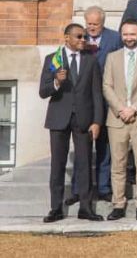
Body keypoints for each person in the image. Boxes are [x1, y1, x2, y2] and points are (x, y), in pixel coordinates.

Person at [39, 24, 105, 223]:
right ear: (67, 37)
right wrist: (57, 83)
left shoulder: (90, 61)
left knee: (84, 164)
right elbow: (43, 91)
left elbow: (96, 94)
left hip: (84, 119)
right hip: (59, 117)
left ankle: (86, 207)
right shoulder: (54, 60)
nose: (83, 39)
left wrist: (97, 121)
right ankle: (56, 208)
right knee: (57, 164)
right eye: (78, 36)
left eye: (84, 36)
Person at [64, 7, 121, 206]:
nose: (91, 27)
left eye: (95, 24)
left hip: (108, 100)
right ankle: (79, 189)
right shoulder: (79, 38)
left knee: (105, 146)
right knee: (82, 148)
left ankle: (104, 188)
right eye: (89, 23)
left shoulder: (115, 38)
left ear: (103, 23)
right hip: (84, 102)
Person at [102, 20, 137, 221]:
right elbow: (107, 86)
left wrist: (134, 108)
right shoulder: (112, 57)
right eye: (125, 34)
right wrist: (121, 109)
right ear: (120, 35)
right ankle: (118, 204)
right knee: (118, 164)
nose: (129, 38)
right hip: (117, 118)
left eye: (132, 34)